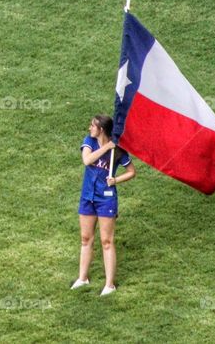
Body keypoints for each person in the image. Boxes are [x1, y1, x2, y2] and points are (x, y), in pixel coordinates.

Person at [70, 114, 136, 295]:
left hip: (106, 198)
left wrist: (115, 180)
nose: (89, 128)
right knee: (85, 238)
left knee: (106, 241)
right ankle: (82, 278)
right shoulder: (89, 141)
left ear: (101, 130)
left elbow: (131, 171)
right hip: (87, 197)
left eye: (93, 126)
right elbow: (87, 160)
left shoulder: (119, 151)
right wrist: (107, 146)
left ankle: (110, 285)